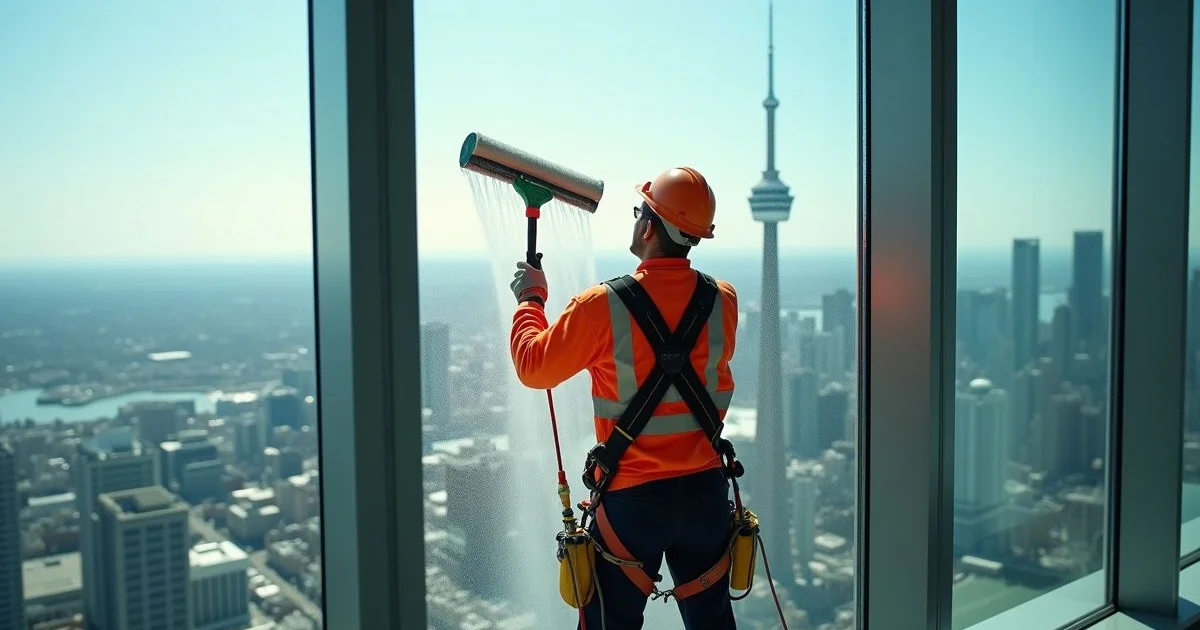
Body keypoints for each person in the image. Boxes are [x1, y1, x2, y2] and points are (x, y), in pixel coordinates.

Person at [509, 166, 740, 630]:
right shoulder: (723, 300)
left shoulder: (601, 306)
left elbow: (534, 368)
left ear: (650, 225)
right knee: (713, 621)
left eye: (640, 211)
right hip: (706, 496)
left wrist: (531, 300)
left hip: (633, 504)